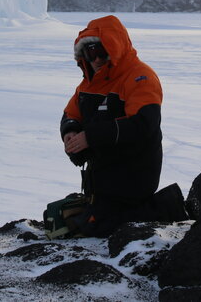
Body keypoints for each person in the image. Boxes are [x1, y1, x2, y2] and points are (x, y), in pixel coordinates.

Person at [59, 15, 165, 236]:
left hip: (132, 179)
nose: (96, 59)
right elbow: (71, 113)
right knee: (64, 222)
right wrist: (70, 131)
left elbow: (144, 125)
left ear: (115, 47)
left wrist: (90, 137)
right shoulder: (89, 84)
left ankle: (163, 210)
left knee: (93, 228)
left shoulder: (139, 77)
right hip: (101, 181)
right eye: (90, 53)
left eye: (102, 51)